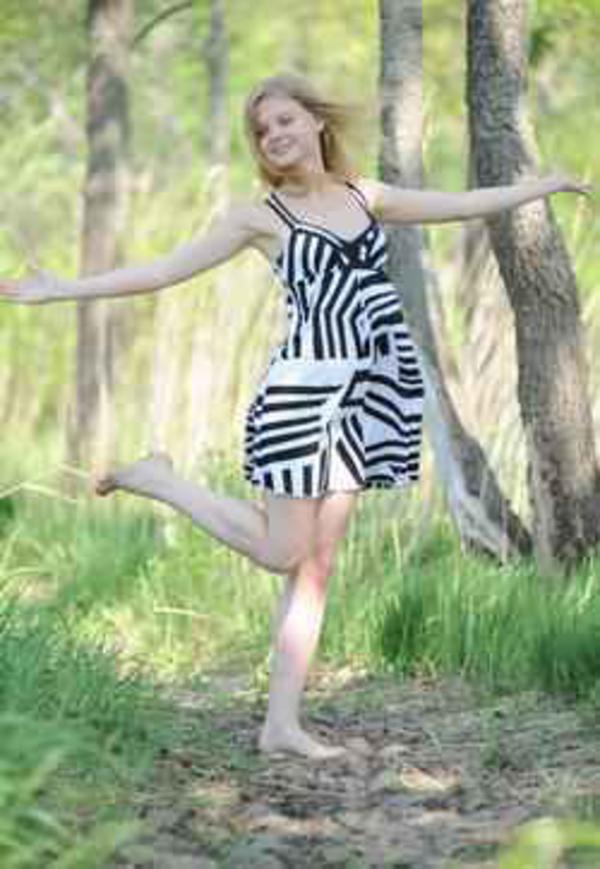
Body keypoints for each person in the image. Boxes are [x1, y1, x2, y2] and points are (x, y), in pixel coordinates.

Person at [0, 73, 591, 760]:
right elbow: (162, 272)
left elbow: (461, 205)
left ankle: (281, 725)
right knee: (283, 551)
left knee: (315, 568)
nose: (274, 135)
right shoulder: (261, 219)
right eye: (262, 130)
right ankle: (161, 481)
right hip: (301, 395)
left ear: (316, 122)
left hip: (366, 396)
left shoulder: (366, 196)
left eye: (284, 120)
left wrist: (542, 185)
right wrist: (59, 289)